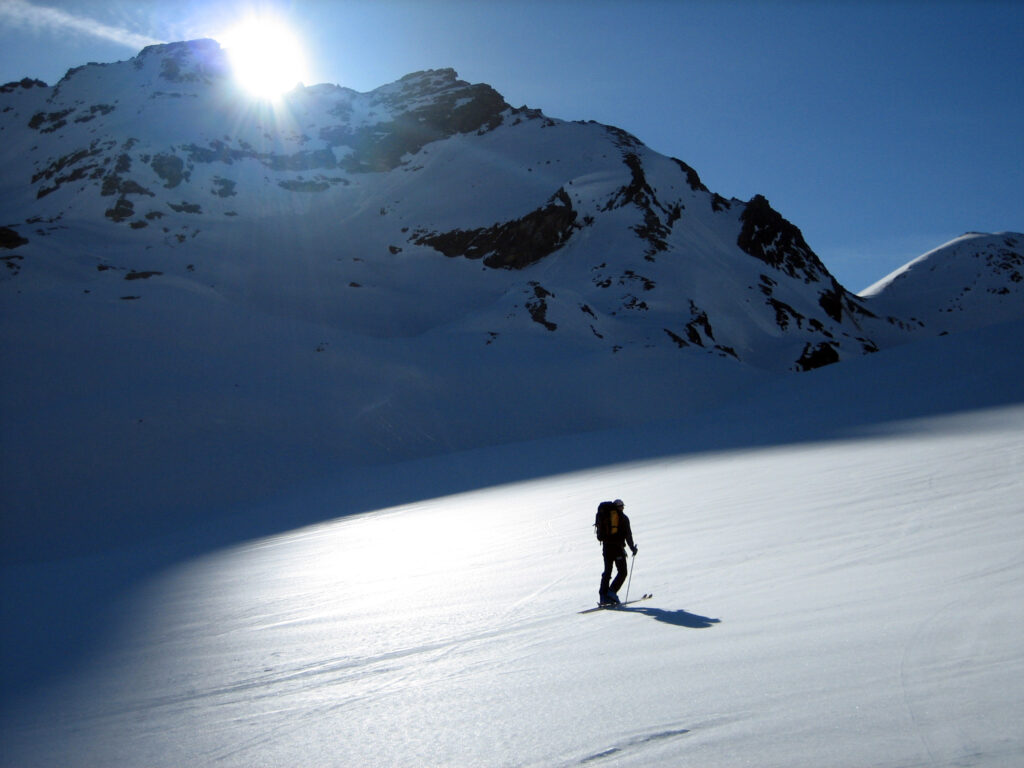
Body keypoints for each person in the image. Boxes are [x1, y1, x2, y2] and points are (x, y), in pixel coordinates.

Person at [597, 499, 637, 605]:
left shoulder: (606, 517)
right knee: (623, 572)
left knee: (607, 571)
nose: (623, 508)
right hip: (618, 549)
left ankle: (603, 595)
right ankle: (612, 592)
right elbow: (628, 535)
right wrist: (632, 548)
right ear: (620, 507)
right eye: (622, 506)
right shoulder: (623, 518)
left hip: (606, 548)